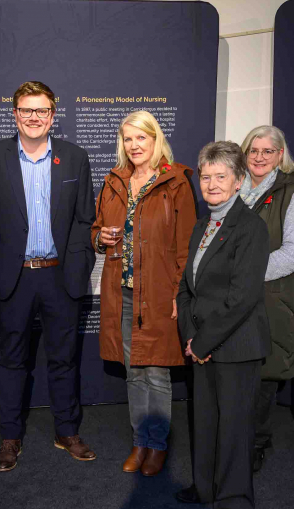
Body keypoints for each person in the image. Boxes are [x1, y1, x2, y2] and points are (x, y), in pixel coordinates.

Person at [0, 81, 96, 471]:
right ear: (14, 114)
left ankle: (67, 431)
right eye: (27, 110)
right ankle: (10, 437)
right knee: (12, 360)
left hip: (60, 275)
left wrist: (78, 262)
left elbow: (84, 218)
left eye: (42, 111)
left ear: (53, 115)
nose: (34, 118)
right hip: (14, 277)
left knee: (64, 358)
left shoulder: (75, 157)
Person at [92, 111, 197, 477]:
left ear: (156, 140)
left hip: (159, 293)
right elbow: (95, 227)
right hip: (121, 293)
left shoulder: (176, 182)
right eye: (128, 138)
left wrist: (179, 295)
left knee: (157, 373)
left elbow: (187, 246)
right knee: (133, 372)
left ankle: (158, 445)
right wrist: (99, 237)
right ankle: (139, 441)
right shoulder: (114, 181)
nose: (134, 145)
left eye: (141, 138)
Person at [175, 141, 270, 509]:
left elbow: (242, 297)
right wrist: (189, 334)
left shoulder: (251, 227)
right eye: (206, 176)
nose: (212, 184)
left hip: (235, 343)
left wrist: (202, 341)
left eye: (221, 177)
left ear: (238, 181)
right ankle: (205, 487)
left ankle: (235, 497)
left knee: (233, 425)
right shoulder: (202, 223)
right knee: (205, 419)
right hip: (200, 342)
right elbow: (186, 288)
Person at [238, 125, 294, 473]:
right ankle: (233, 441)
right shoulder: (233, 188)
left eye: (268, 151)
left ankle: (257, 444)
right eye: (254, 150)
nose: (260, 157)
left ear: (281, 155)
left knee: (265, 375)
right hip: (233, 302)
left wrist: (243, 273)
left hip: (269, 299)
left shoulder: (292, 194)